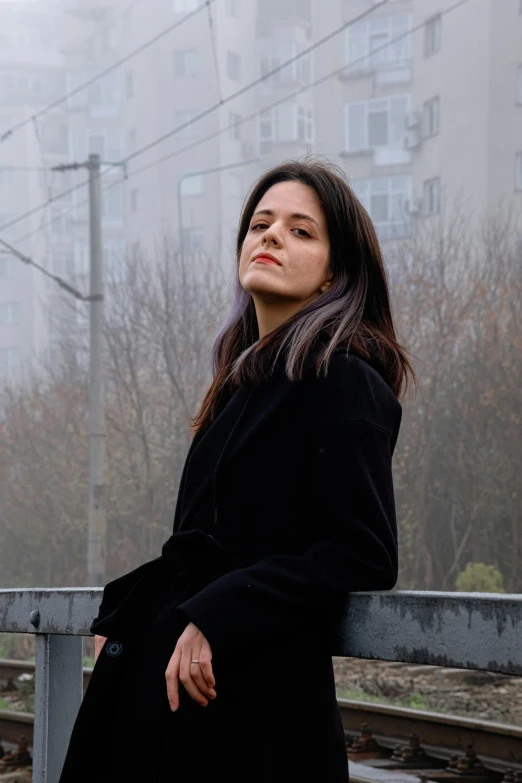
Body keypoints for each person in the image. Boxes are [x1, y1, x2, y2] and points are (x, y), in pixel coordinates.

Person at [58, 158, 415, 782]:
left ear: (335, 271)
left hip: (255, 713)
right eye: (260, 223)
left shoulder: (344, 381)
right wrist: (128, 616)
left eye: (301, 230)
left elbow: (362, 551)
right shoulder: (236, 387)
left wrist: (216, 612)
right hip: (192, 691)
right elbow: (204, 547)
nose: (271, 235)